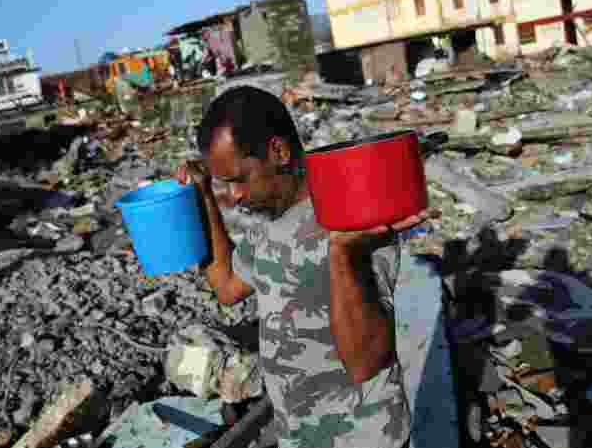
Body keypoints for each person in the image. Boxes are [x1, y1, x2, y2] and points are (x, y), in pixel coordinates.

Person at [175, 86, 429, 448]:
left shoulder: (354, 216)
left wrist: (342, 254)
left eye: (238, 180)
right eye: (223, 184)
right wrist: (202, 197)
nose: (234, 196)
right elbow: (228, 285)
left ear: (277, 151)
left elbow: (365, 363)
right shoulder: (272, 221)